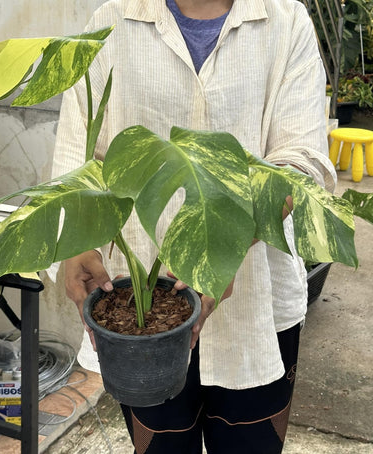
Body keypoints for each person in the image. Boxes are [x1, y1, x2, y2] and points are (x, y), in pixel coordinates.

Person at [51, 0, 337, 452]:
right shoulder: (113, 19)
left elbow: (300, 164)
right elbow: (79, 155)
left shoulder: (286, 20)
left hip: (255, 300)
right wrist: (78, 242)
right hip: (139, 309)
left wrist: (224, 246)